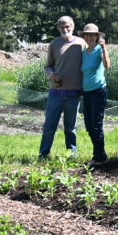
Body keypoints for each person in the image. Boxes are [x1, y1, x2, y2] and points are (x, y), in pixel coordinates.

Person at [39, 16, 85, 159]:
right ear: (58, 28)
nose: (65, 29)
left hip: (74, 92)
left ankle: (71, 154)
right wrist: (51, 74)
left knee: (70, 127)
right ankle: (44, 154)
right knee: (49, 126)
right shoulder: (54, 44)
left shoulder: (81, 43)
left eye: (68, 26)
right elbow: (47, 66)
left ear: (72, 26)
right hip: (56, 92)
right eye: (62, 27)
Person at [79, 23, 110, 163]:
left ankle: (99, 157)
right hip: (86, 92)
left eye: (93, 35)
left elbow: (107, 65)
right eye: (88, 35)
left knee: (96, 125)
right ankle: (100, 155)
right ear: (84, 37)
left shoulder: (99, 49)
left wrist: (104, 48)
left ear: (97, 37)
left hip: (98, 91)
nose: (90, 37)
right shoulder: (84, 53)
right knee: (89, 125)